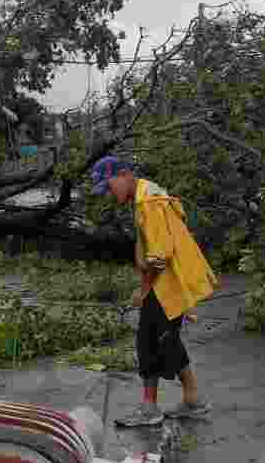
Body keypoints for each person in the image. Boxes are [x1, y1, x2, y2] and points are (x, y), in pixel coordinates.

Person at [91, 156, 219, 427]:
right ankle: (191, 401)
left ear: (124, 174)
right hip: (166, 283)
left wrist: (143, 290)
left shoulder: (149, 202)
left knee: (155, 344)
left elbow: (160, 257)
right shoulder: (145, 194)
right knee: (161, 341)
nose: (110, 195)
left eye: (109, 186)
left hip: (166, 285)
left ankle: (153, 409)